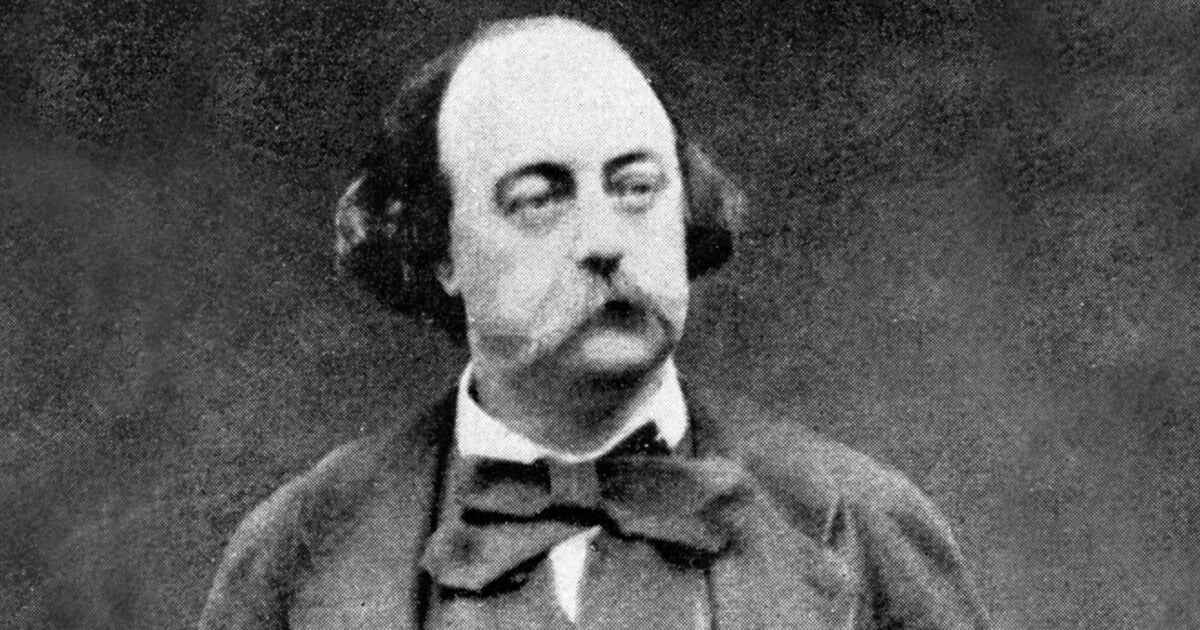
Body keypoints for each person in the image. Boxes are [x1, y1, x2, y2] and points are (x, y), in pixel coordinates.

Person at [200, 15, 990, 630]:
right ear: (437, 248)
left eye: (636, 187)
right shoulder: (298, 550)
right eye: (540, 199)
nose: (605, 240)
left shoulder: (863, 527)